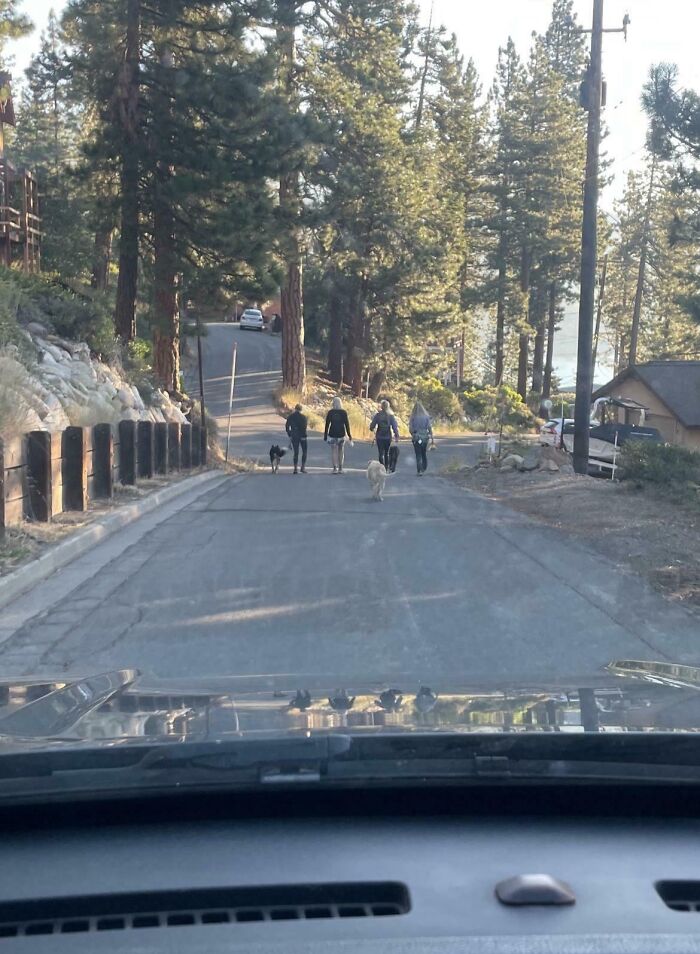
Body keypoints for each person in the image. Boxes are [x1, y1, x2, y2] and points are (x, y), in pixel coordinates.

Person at [324, 396, 353, 474]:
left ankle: (334, 469)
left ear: (333, 403)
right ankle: (340, 468)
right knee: (341, 450)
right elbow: (347, 424)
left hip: (332, 433)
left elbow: (327, 424)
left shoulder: (330, 412)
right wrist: (349, 435)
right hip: (341, 434)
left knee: (333, 450)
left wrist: (325, 435)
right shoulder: (343, 412)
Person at [370, 400, 399, 470]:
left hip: (379, 436)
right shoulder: (390, 416)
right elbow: (394, 426)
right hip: (388, 437)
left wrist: (372, 428)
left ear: (381, 406)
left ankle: (381, 467)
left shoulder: (378, 415)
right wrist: (396, 434)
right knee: (387, 453)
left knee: (381, 453)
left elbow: (372, 425)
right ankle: (386, 467)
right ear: (388, 407)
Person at [409, 401, 434, 475]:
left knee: (418, 454)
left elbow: (410, 429)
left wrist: (413, 434)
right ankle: (424, 467)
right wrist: (432, 437)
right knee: (423, 453)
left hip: (416, 437)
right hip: (424, 437)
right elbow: (429, 427)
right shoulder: (426, 417)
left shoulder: (413, 417)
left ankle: (419, 470)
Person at [285, 403, 308, 474]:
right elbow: (305, 427)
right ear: (301, 410)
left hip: (294, 436)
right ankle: (303, 468)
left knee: (296, 452)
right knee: (304, 451)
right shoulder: (303, 417)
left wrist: (290, 434)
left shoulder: (291, 416)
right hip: (302, 436)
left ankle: (295, 468)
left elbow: (287, 426)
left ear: (295, 409)